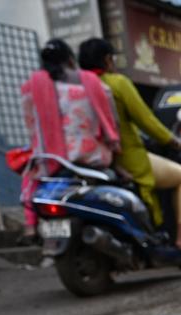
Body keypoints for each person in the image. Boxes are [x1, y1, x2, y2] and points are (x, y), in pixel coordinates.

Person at [78, 38, 181, 250]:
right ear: (108, 60)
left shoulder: (76, 88)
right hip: (127, 156)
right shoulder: (116, 83)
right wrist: (174, 141)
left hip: (89, 158)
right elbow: (145, 120)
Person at [20, 39, 120, 239]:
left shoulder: (31, 87)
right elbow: (109, 119)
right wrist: (114, 143)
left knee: (29, 177)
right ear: (70, 59)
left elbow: (31, 123)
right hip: (89, 156)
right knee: (120, 178)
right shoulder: (91, 82)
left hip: (48, 159)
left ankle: (30, 226)